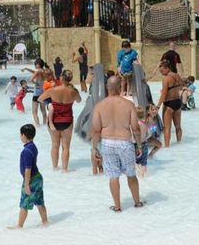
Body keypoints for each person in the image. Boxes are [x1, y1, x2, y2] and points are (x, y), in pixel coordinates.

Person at [91, 76, 145, 212]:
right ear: (120, 87)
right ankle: (137, 202)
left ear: (107, 87)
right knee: (131, 174)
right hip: (125, 142)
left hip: (107, 143)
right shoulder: (128, 104)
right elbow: (136, 128)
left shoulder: (99, 105)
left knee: (113, 176)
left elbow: (96, 130)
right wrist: (138, 145)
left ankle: (117, 206)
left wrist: (94, 148)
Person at [8, 124, 48, 229]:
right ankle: (45, 222)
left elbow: (27, 169)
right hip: (38, 177)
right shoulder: (33, 146)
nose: (20, 137)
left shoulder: (26, 151)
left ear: (24, 135)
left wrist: (26, 184)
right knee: (39, 202)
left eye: (20, 135)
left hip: (31, 180)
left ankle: (19, 226)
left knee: (24, 204)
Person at [40, 70, 81, 172]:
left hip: (53, 121)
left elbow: (40, 99)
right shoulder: (74, 91)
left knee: (55, 144)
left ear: (61, 78)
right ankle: (65, 170)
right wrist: (73, 89)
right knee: (66, 147)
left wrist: (49, 104)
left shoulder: (53, 90)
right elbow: (79, 100)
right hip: (67, 121)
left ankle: (54, 167)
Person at [156, 60, 185, 147]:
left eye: (162, 71)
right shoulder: (177, 75)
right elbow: (182, 85)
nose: (161, 73)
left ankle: (167, 147)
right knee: (178, 126)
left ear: (167, 68)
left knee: (167, 128)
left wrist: (158, 106)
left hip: (169, 103)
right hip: (177, 102)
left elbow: (164, 94)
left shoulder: (166, 78)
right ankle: (179, 144)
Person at [22, 59, 47, 126]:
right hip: (43, 92)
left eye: (36, 64)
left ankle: (38, 126)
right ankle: (45, 125)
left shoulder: (37, 72)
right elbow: (35, 72)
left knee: (34, 112)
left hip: (37, 93)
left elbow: (30, 80)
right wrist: (27, 69)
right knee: (43, 111)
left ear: (38, 64)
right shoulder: (44, 71)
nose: (35, 65)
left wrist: (35, 83)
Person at [134, 106, 150, 178]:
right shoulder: (144, 124)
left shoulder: (134, 125)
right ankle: (144, 175)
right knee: (144, 161)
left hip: (136, 145)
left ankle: (139, 173)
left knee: (136, 161)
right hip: (144, 144)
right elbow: (149, 134)